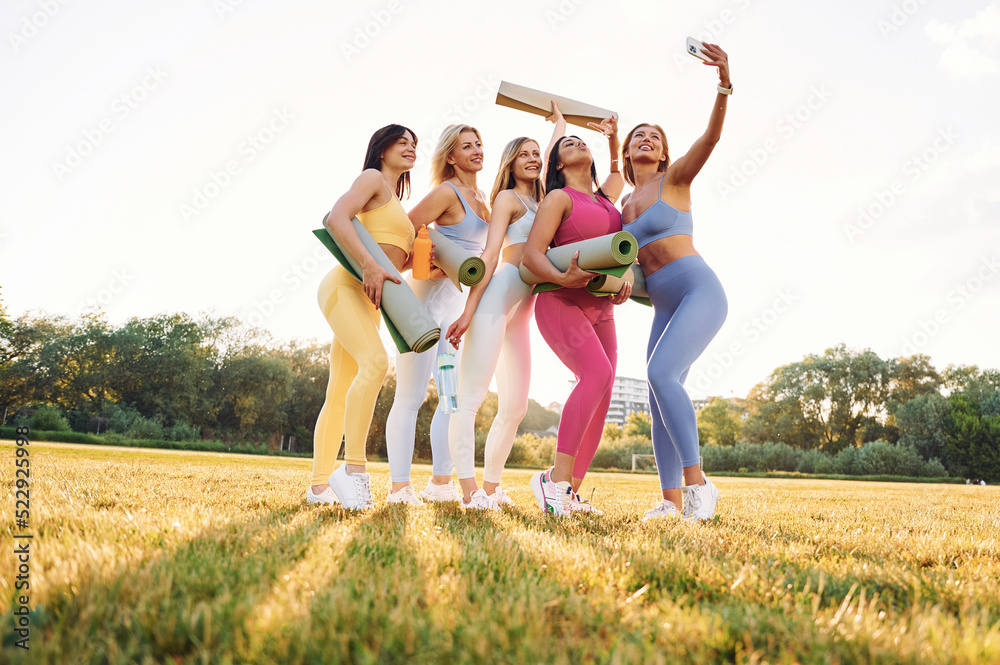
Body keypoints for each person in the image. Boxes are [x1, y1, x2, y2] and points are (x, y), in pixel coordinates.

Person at [623, 43, 732, 522]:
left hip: (697, 291)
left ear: (665, 151)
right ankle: (669, 503)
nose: (646, 139)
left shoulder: (676, 181)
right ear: (627, 151)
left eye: (655, 136)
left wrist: (724, 82)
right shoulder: (623, 205)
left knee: (661, 374)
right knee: (656, 393)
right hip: (663, 304)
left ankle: (698, 486)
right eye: (637, 136)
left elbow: (709, 139)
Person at [444, 104, 568, 509]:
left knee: (514, 406)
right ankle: (468, 491)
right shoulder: (507, 199)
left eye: (537, 154)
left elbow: (553, 157)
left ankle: (493, 488)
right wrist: (468, 311)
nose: (534, 159)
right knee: (470, 399)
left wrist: (560, 124)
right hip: (495, 300)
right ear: (511, 164)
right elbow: (491, 256)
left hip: (523, 311)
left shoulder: (548, 199)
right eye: (525, 154)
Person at [521, 117, 629, 516]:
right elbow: (531, 255)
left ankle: (568, 492)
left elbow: (618, 172)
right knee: (596, 375)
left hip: (601, 307)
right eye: (567, 143)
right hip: (560, 301)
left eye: (581, 140)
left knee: (603, 393)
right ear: (558, 164)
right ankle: (554, 480)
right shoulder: (559, 198)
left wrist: (614, 137)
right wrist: (561, 276)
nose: (577, 143)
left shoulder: (605, 199)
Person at [309, 124, 418, 511]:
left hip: (368, 299)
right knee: (375, 363)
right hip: (345, 287)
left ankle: (319, 486)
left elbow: (393, 265)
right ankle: (353, 470)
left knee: (339, 388)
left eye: (414, 145)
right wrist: (371, 266)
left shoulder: (400, 207)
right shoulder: (372, 178)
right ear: (382, 148)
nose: (411, 149)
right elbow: (336, 218)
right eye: (402, 142)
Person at [384, 125, 490, 506]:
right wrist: (430, 259)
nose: (477, 150)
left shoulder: (483, 199)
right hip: (423, 300)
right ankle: (399, 488)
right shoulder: (447, 192)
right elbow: (403, 231)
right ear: (451, 156)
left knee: (451, 396)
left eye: (479, 143)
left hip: (454, 309)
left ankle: (440, 483)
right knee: (410, 395)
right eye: (467, 146)